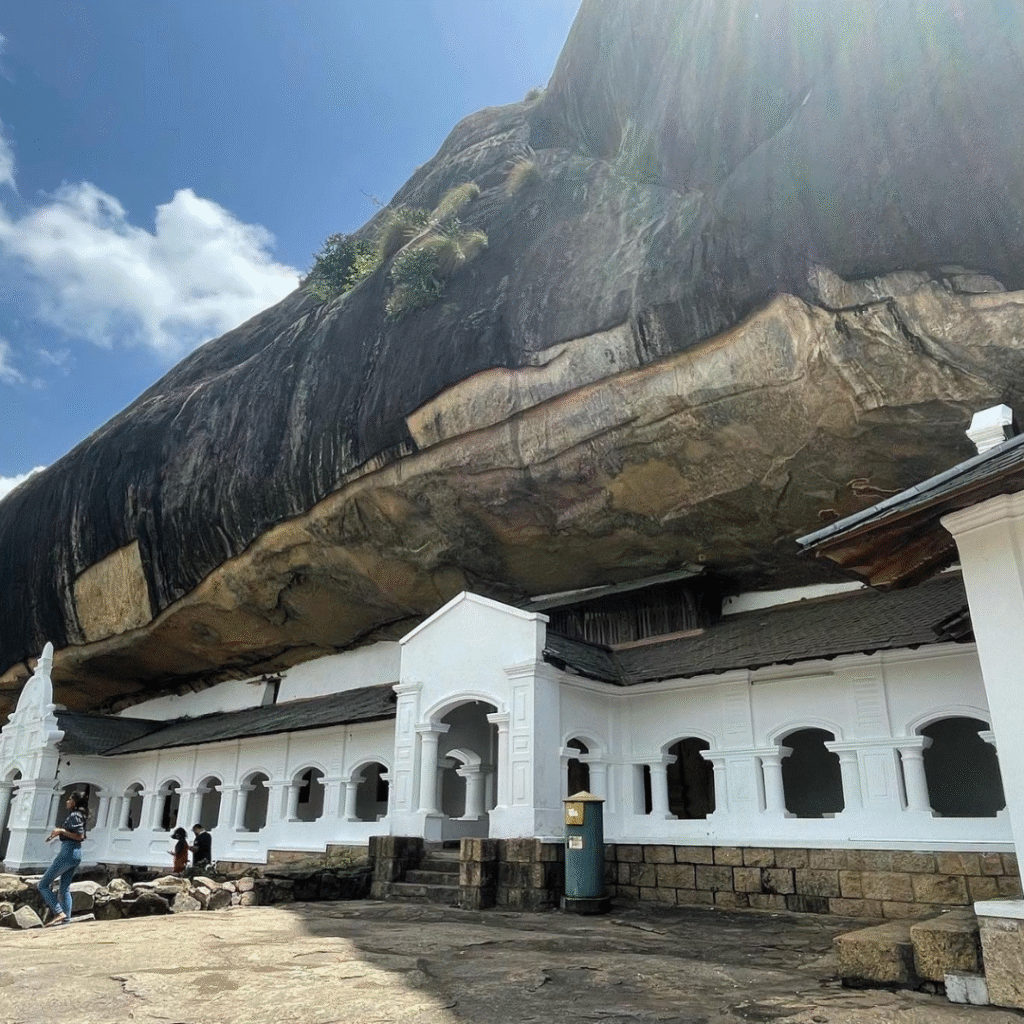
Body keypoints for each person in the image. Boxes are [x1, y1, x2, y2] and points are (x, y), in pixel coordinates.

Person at [38, 791, 88, 927]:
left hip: (68, 852)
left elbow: (80, 835)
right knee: (64, 887)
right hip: (75, 852)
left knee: (43, 884)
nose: (67, 801)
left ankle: (59, 912)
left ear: (75, 802)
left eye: (70, 799)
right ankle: (66, 920)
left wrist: (61, 831)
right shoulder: (79, 815)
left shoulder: (75, 815)